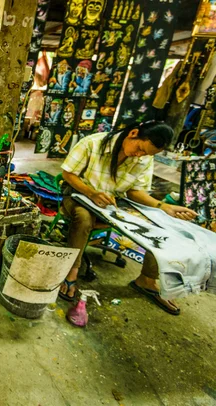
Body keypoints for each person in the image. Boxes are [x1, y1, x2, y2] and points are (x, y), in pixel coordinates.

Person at [58, 121, 197, 315]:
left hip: (114, 203)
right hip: (79, 195)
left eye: (146, 154)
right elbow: (68, 174)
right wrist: (91, 193)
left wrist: (163, 206)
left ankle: (147, 279)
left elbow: (134, 191)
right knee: (83, 217)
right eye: (140, 148)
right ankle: (71, 270)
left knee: (159, 223)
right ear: (133, 133)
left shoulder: (143, 157)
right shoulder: (92, 143)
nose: (139, 155)